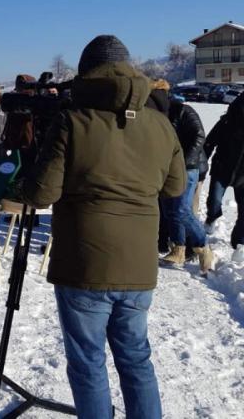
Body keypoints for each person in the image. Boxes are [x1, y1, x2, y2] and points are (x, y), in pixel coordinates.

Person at [22, 35, 186, 419]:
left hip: (84, 265)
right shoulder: (160, 124)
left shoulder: (72, 121)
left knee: (88, 362)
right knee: (136, 359)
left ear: (86, 75)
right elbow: (175, 187)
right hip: (139, 266)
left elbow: (41, 193)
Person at [155, 82, 214, 272]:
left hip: (188, 167)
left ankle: (203, 247)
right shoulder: (155, 115)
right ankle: (178, 249)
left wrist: (182, 162)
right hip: (166, 168)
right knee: (170, 209)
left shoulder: (183, 110)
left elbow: (199, 136)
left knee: (182, 209)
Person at [204, 93, 244, 249]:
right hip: (222, 168)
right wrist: (201, 163)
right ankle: (212, 217)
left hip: (243, 175)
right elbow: (210, 142)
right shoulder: (227, 122)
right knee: (214, 201)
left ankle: (239, 243)